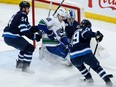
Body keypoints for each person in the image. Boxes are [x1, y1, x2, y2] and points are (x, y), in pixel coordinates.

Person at [69, 19, 113, 86]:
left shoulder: (76, 32)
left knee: (80, 67)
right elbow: (85, 33)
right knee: (96, 67)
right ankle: (108, 81)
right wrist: (95, 34)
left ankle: (89, 79)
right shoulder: (84, 29)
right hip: (85, 53)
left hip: (73, 57)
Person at [2, 1, 42, 72]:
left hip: (8, 37)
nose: (29, 10)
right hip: (12, 37)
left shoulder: (19, 15)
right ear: (23, 9)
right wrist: (34, 37)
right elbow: (24, 30)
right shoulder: (23, 15)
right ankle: (25, 69)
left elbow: (29, 29)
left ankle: (19, 65)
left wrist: (40, 27)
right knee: (30, 48)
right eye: (27, 8)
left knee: (24, 48)